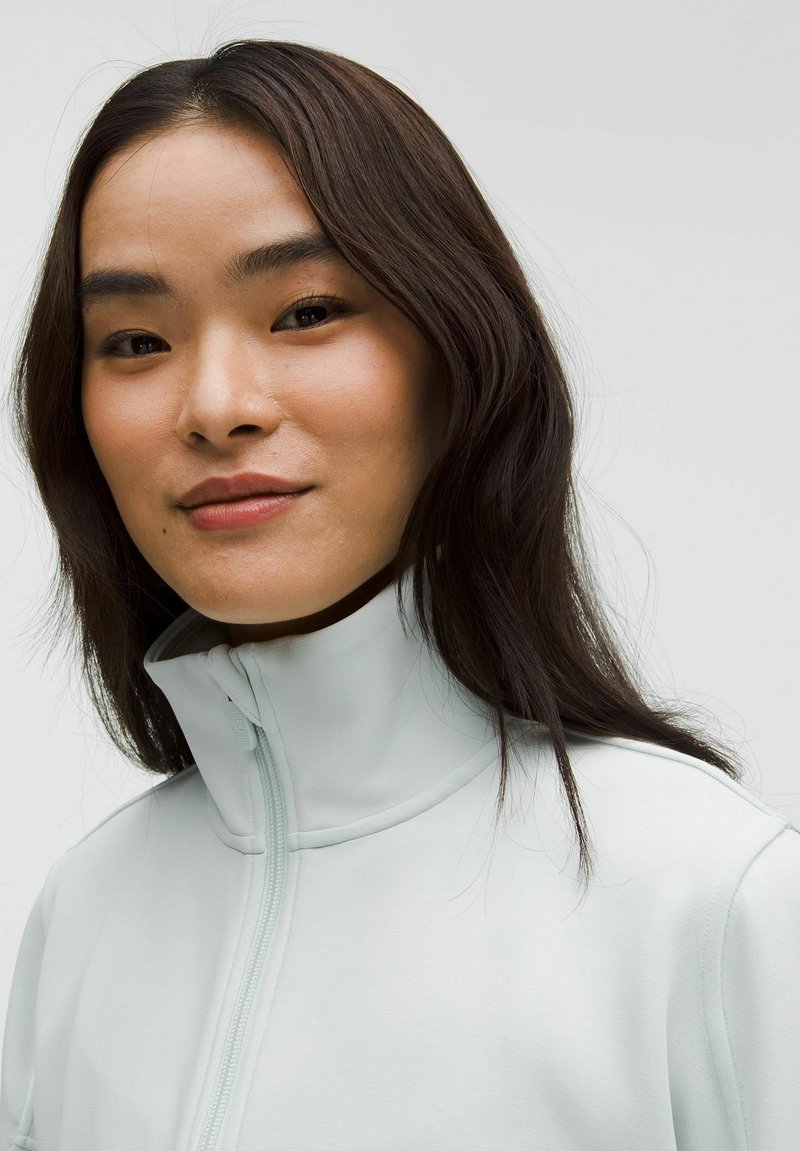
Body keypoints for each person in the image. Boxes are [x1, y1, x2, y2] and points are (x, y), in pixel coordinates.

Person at [1, 38, 797, 1151]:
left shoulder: (715, 900)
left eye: (305, 312)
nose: (216, 405)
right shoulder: (85, 916)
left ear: (458, 354)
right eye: (135, 340)